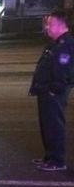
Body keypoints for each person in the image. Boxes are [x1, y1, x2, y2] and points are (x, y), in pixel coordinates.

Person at [29, 10, 74, 172]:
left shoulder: (66, 45)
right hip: (46, 90)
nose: (47, 27)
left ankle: (57, 160)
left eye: (51, 24)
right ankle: (49, 157)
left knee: (54, 126)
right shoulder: (55, 44)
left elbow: (64, 71)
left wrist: (54, 89)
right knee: (47, 125)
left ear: (62, 25)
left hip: (53, 92)